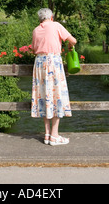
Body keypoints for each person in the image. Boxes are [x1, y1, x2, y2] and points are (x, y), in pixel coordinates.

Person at [31, 8, 77, 145]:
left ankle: (47, 134)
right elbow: (73, 40)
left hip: (39, 63)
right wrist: (68, 46)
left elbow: (34, 49)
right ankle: (55, 136)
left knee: (44, 97)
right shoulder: (56, 25)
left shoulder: (35, 30)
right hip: (53, 62)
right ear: (51, 17)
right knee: (56, 97)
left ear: (40, 19)